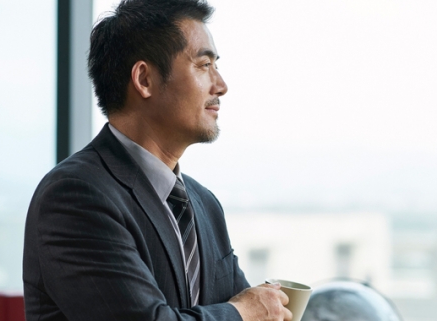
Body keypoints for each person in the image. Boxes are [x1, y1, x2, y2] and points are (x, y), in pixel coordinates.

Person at [22, 0, 292, 320]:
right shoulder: (75, 195)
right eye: (204, 65)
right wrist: (242, 314)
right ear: (144, 79)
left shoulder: (204, 204)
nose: (221, 86)